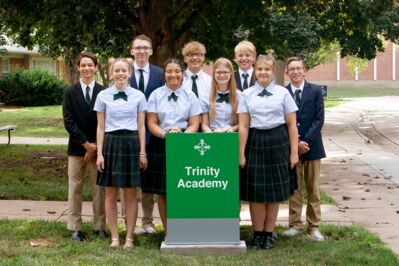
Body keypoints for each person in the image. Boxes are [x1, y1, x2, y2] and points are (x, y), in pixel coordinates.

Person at [238, 55, 299, 249]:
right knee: (257, 192)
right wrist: (241, 153)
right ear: (255, 72)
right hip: (255, 141)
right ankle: (257, 235)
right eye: (260, 69)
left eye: (267, 69)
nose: (263, 72)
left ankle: (268, 234)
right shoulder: (246, 94)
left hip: (278, 141)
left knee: (273, 193)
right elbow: (244, 126)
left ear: (273, 72)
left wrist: (294, 153)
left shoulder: (283, 93)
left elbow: (291, 125)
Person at [143, 58, 202, 234]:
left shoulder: (190, 96)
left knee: (184, 187)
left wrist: (182, 139)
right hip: (161, 143)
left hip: (185, 144)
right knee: (164, 190)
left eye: (177, 71)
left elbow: (194, 123)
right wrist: (165, 134)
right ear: (164, 75)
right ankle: (170, 232)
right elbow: (151, 123)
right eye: (169, 71)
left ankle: (185, 229)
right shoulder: (155, 95)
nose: (173, 74)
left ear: (182, 74)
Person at [95, 58, 147, 248]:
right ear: (111, 73)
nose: (120, 73)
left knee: (131, 193)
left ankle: (130, 237)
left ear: (129, 73)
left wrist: (143, 152)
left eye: (124, 70)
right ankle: (115, 237)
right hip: (111, 143)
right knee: (110, 193)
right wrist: (100, 153)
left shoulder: (139, 96)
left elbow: (141, 126)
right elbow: (100, 127)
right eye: (116, 70)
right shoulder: (103, 96)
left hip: (132, 143)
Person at [62, 52, 106, 241]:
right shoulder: (70, 92)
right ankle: (75, 227)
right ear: (78, 68)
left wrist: (95, 147)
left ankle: (100, 226)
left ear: (95, 67)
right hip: (77, 148)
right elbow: (69, 121)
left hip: (99, 148)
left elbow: (106, 121)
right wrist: (86, 145)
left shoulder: (104, 92)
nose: (87, 68)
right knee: (75, 188)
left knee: (99, 189)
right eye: (83, 65)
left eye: (90, 65)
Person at [282, 56, 326, 241]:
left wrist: (305, 141)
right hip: (291, 148)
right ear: (286, 72)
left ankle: (314, 226)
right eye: (291, 69)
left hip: (313, 147)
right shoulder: (282, 92)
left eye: (299, 68)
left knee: (312, 187)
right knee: (295, 188)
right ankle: (294, 224)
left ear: (305, 70)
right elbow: (281, 120)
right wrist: (295, 143)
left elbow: (319, 118)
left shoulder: (315, 90)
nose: (295, 72)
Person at [129, 34, 164, 235]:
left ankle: (148, 221)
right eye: (138, 48)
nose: (141, 51)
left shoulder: (160, 74)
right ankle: (129, 221)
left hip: (153, 134)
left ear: (151, 51)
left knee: (150, 181)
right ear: (132, 51)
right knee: (129, 180)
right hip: (127, 134)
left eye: (145, 48)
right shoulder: (123, 71)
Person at [201, 57, 240, 133]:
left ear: (231, 73)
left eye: (225, 72)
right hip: (212, 135)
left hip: (232, 135)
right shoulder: (205, 96)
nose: (222, 75)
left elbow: (242, 123)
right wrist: (214, 135)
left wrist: (231, 129)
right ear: (214, 74)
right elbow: (204, 125)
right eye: (218, 72)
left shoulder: (239, 96)